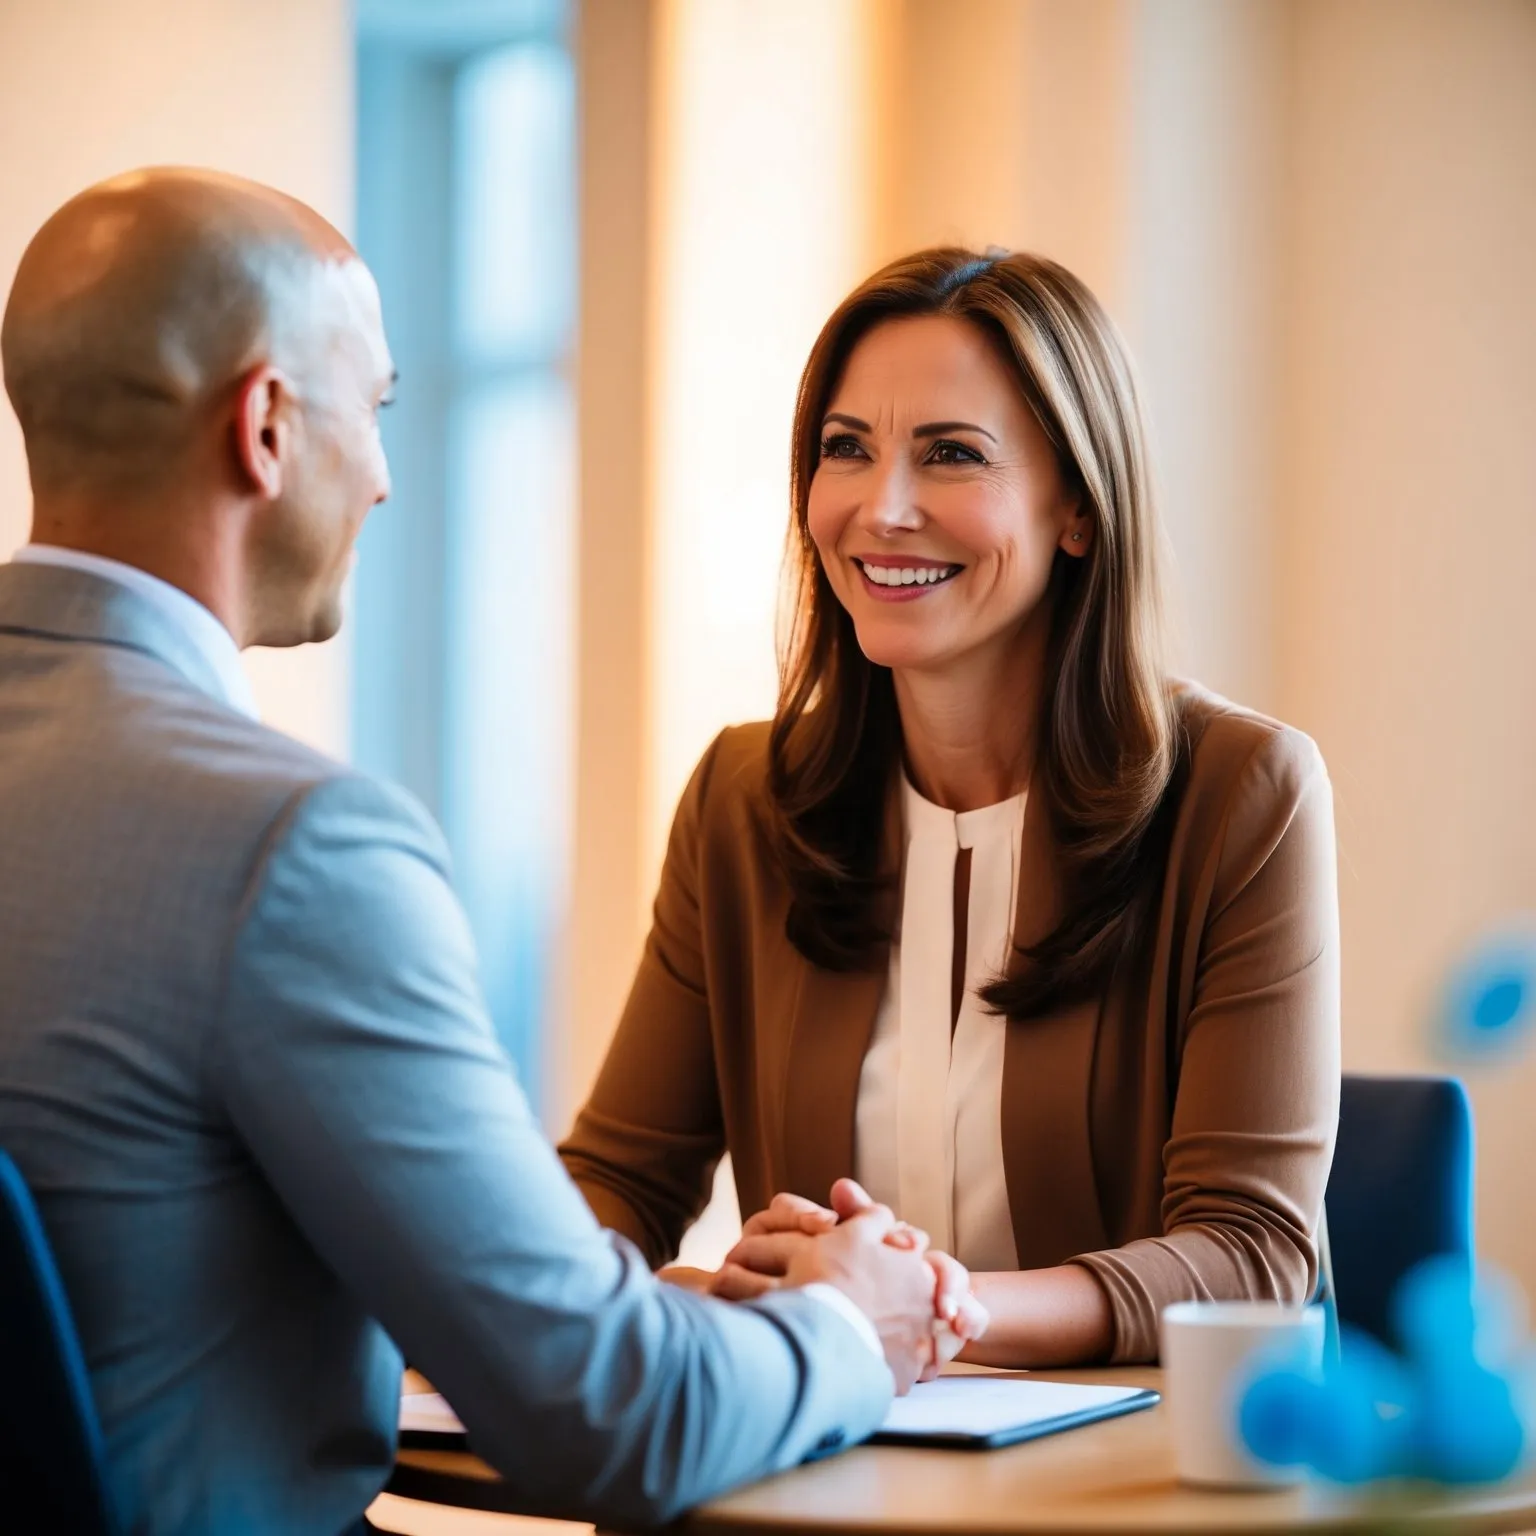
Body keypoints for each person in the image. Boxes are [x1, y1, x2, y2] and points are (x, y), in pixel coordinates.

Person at [0, 169, 968, 1536]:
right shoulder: (294, 852)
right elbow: (614, 1420)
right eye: (376, 410)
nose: (387, 480)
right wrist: (847, 1324)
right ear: (265, 426)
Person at [560, 247, 1342, 1370]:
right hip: (815, 1469)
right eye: (847, 450)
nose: (881, 510)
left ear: (1077, 507)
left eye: (951, 456)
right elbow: (617, 1185)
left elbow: (1250, 1253)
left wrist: (921, 1305)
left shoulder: (1244, 796)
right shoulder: (744, 802)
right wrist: (697, 1289)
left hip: (1109, 1495)